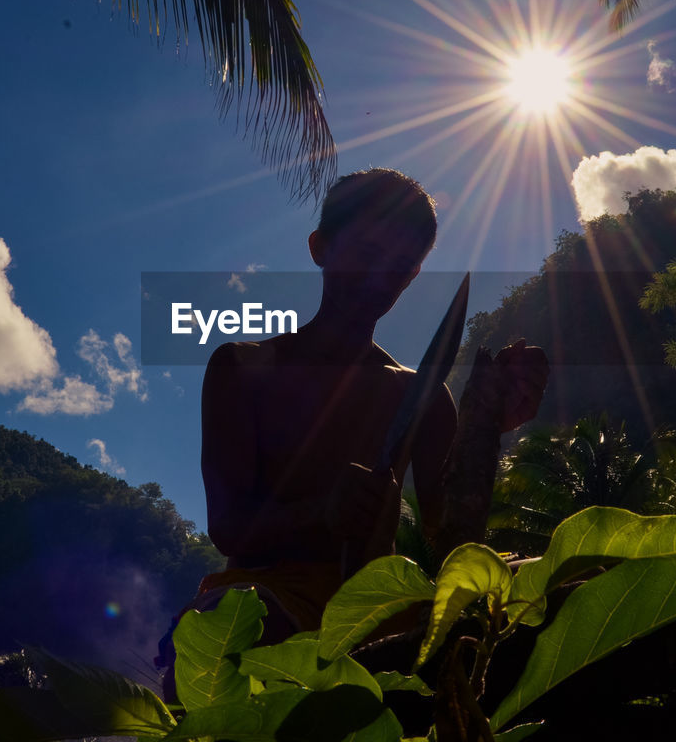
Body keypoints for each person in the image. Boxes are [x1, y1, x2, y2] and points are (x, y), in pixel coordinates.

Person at [157, 168, 547, 691]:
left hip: (380, 606)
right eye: (366, 253)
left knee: (570, 577)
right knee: (235, 632)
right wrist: (323, 512)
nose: (380, 276)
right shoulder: (240, 368)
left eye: (401, 266)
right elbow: (228, 526)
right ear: (321, 247)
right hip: (267, 598)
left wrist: (488, 427)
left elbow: (450, 537)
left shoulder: (422, 396)